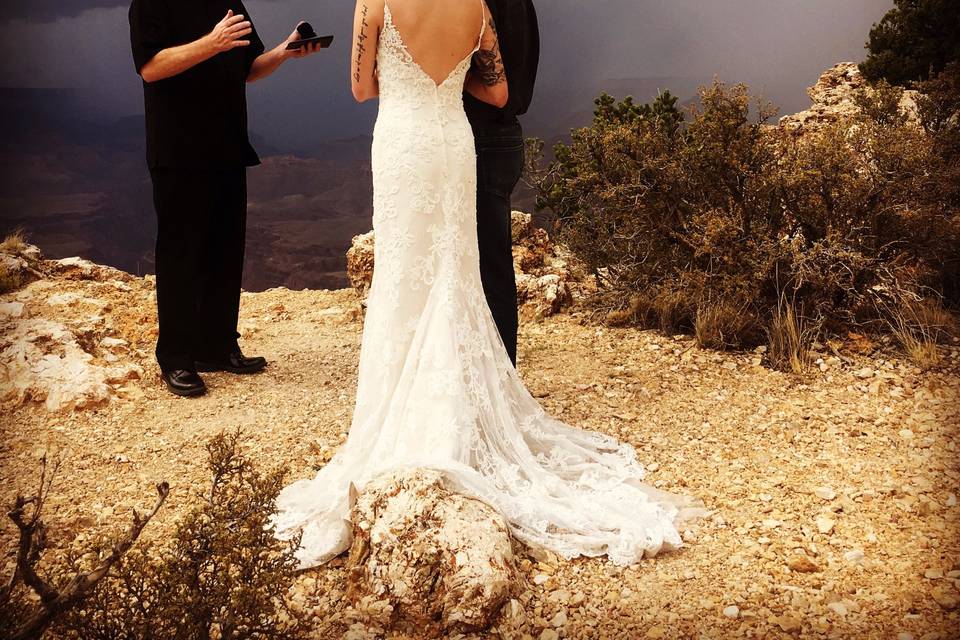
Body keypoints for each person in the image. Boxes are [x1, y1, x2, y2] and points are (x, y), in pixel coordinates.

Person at [272, 0, 703, 569]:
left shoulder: (372, 2)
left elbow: (361, 88)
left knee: (404, 278)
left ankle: (398, 414)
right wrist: (449, 81)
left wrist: (413, 81)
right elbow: (498, 94)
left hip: (403, 144)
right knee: (457, 275)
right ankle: (464, 411)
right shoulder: (476, 6)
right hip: (454, 144)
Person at [128, 0, 324, 397]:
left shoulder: (227, 2)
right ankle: (177, 358)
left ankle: (216, 347)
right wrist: (211, 44)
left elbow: (249, 69)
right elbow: (150, 67)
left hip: (227, 145)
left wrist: (285, 51)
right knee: (181, 253)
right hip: (178, 150)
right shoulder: (150, 3)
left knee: (225, 251)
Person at [465, 0, 539, 367]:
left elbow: (497, 89)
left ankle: (498, 374)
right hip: (503, 136)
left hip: (484, 137)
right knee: (492, 261)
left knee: (488, 264)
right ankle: (498, 370)